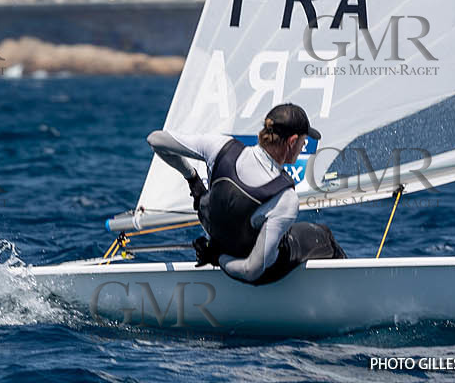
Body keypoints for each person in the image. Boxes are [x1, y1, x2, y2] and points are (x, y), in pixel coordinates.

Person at [147, 102, 345, 284]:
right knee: (322, 235)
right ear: (292, 142)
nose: (304, 145)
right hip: (252, 269)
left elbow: (156, 139)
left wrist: (192, 179)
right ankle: (347, 290)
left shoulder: (220, 147)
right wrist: (218, 259)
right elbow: (252, 271)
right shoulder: (284, 198)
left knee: (215, 202)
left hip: (216, 236)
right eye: (304, 140)